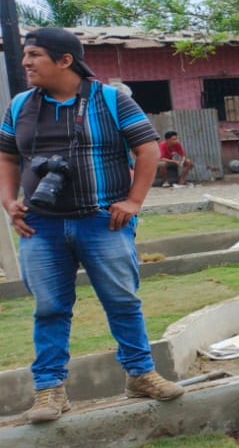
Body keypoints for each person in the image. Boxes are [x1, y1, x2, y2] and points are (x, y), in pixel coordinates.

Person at [0, 27, 186, 424]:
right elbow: (7, 156)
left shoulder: (110, 99)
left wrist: (134, 202)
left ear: (65, 60)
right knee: (49, 308)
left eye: (34, 55)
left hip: (102, 220)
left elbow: (147, 150)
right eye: (25, 55)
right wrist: (9, 200)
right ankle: (50, 390)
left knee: (122, 301)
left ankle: (140, 375)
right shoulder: (20, 105)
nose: (25, 63)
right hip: (41, 225)